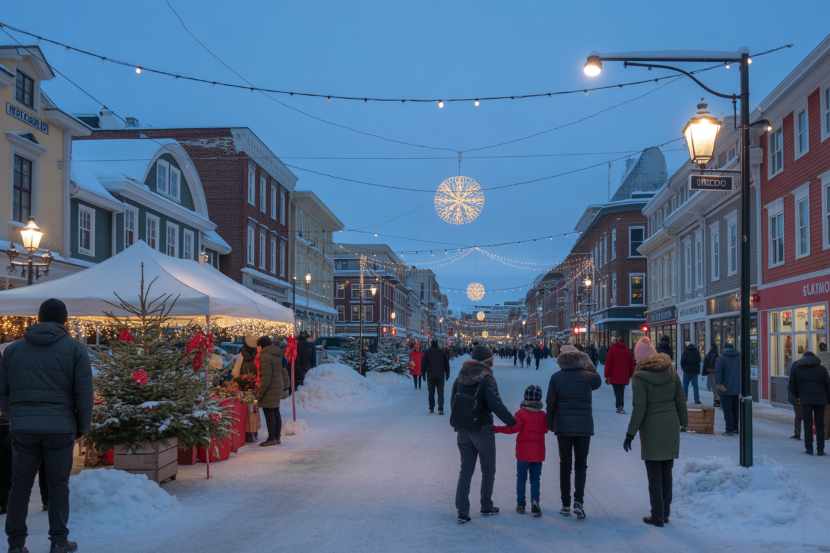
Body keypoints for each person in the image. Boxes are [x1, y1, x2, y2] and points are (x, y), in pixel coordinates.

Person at [0, 299, 93, 553]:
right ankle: (59, 541)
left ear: (39, 318)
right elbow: (83, 393)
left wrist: (16, 415)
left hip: (23, 429)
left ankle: (16, 544)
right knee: (58, 486)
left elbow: (3, 392)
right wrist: (83, 426)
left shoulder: (13, 350)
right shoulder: (75, 350)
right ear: (64, 320)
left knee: (19, 486)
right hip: (60, 428)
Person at [450, 345, 516, 524]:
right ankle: (486, 505)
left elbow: (452, 402)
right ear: (487, 360)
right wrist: (512, 421)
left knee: (466, 469)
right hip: (482, 429)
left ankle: (462, 510)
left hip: (463, 430)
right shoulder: (486, 378)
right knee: (488, 469)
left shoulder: (461, 376)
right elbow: (495, 404)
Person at [624, 349, 687, 528]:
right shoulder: (672, 373)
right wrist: (684, 422)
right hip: (671, 425)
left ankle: (657, 515)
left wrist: (630, 433)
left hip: (652, 428)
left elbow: (639, 408)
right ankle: (665, 512)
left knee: (654, 475)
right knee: (667, 472)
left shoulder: (639, 379)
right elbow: (680, 400)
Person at [546, 344, 601, 520]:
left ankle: (565, 504)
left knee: (565, 464)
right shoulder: (587, 377)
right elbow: (598, 380)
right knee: (581, 465)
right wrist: (586, 361)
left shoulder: (556, 378)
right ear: (579, 360)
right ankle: (579, 501)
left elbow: (550, 403)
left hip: (563, 427)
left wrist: (550, 424)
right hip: (584, 427)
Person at [494, 385, 547, 518]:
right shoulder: (543, 415)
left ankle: (521, 504)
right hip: (538, 453)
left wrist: (497, 429)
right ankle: (535, 502)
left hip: (523, 453)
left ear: (525, 397)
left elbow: (513, 429)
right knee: (535, 479)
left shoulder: (521, 413)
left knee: (521, 479)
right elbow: (546, 429)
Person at [788, 351, 830, 456]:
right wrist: (828, 399)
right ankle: (820, 449)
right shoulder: (822, 369)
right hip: (820, 400)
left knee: (808, 424)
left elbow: (792, 385)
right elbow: (828, 385)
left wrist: (797, 396)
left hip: (805, 400)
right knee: (820, 424)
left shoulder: (798, 369)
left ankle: (809, 448)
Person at [256, 336, 286, 447]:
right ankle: (277, 437)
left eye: (258, 346)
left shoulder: (265, 356)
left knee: (269, 413)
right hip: (277, 385)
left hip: (270, 388)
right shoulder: (276, 353)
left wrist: (260, 392)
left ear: (261, 346)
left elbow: (266, 377)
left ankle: (271, 438)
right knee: (275, 411)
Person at [715, 343, 741, 436]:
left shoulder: (721, 358)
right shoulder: (739, 357)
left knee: (727, 410)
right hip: (737, 388)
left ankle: (729, 429)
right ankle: (735, 428)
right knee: (735, 409)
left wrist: (719, 385)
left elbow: (718, 373)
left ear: (724, 348)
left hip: (725, 388)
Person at [604, 336, 635, 414]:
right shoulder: (627, 351)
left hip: (614, 375)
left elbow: (608, 363)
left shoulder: (612, 350)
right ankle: (620, 405)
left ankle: (619, 406)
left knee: (617, 391)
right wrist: (631, 373)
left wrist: (607, 374)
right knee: (621, 390)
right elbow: (631, 363)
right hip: (624, 375)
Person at [422, 340, 450, 415]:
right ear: (437, 344)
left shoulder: (427, 352)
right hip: (440, 376)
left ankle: (431, 408)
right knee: (440, 392)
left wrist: (423, 374)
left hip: (430, 375)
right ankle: (440, 409)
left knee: (431, 392)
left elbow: (423, 363)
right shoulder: (442, 352)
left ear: (431, 344)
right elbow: (446, 363)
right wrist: (447, 373)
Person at [788, 359, 803, 441]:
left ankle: (797, 434)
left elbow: (792, 384)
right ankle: (809, 434)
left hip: (798, 396)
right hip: (808, 396)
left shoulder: (795, 367)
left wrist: (796, 396)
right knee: (802, 416)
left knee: (798, 416)